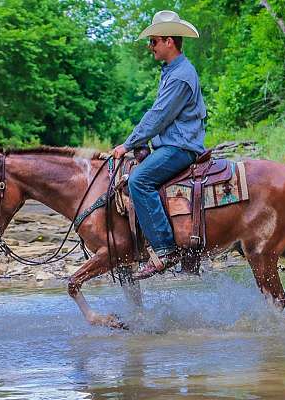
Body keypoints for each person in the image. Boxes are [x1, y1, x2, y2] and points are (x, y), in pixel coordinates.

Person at [111, 10, 207, 280]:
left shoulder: (180, 76)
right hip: (173, 143)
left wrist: (128, 144)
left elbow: (158, 116)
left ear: (169, 41)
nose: (149, 47)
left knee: (138, 180)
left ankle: (165, 249)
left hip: (181, 147)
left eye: (153, 41)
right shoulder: (172, 71)